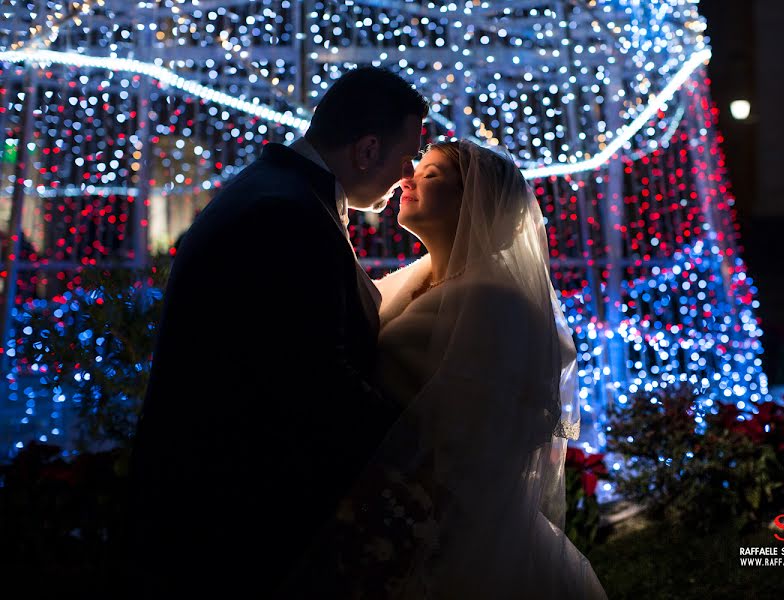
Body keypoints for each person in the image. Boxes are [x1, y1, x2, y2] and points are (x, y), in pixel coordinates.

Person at [125, 67, 428, 597]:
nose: (409, 176)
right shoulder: (283, 214)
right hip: (230, 527)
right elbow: (310, 379)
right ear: (367, 149)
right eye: (407, 160)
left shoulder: (280, 194)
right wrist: (426, 447)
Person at [319, 140, 608, 598]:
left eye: (432, 175)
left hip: (444, 529)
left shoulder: (500, 305)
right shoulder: (405, 282)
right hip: (388, 512)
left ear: (474, 203)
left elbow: (490, 435)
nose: (408, 179)